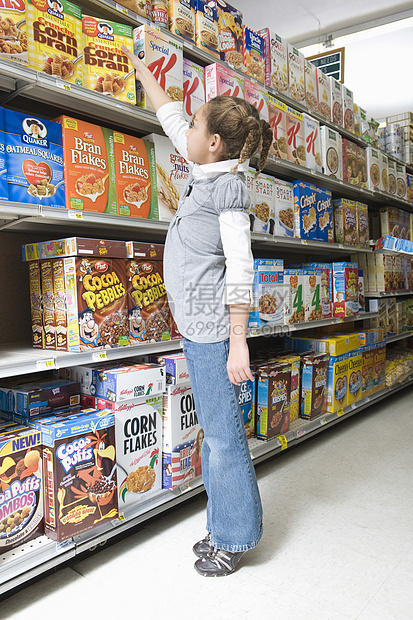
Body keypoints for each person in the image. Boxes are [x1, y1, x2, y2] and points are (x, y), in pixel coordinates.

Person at [122, 45, 273, 577]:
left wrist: (238, 341)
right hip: (197, 328)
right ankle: (221, 523)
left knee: (224, 436)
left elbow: (241, 267)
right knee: (215, 431)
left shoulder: (227, 188)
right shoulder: (205, 169)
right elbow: (171, 117)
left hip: (214, 332)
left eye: (196, 127)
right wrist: (143, 69)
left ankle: (235, 537)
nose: (183, 132)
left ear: (212, 144)